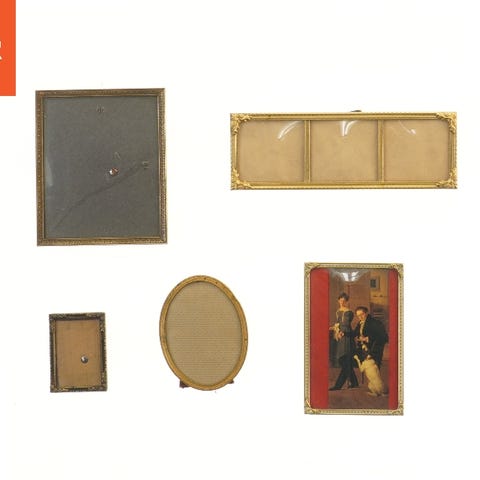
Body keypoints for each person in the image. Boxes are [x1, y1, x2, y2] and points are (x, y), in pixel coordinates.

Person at [329, 293, 359, 391]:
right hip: (340, 337)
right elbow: (338, 324)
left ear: (346, 301)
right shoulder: (338, 311)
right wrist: (334, 328)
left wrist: (341, 331)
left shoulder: (349, 312)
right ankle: (354, 382)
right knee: (345, 361)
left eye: (344, 300)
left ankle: (338, 385)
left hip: (347, 336)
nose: (342, 302)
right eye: (340, 300)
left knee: (345, 360)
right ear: (338, 300)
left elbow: (346, 324)